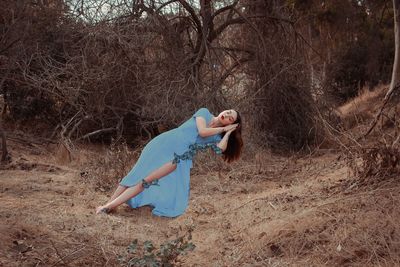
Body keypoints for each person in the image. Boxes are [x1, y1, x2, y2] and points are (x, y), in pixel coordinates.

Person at [96, 107, 243, 217]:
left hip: (178, 158)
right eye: (229, 111)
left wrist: (228, 133)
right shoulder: (204, 113)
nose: (227, 115)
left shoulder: (217, 136)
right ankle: (108, 205)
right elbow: (202, 131)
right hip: (164, 144)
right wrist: (223, 128)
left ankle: (108, 207)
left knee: (145, 181)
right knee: (135, 174)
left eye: (231, 118)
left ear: (231, 124)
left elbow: (220, 150)